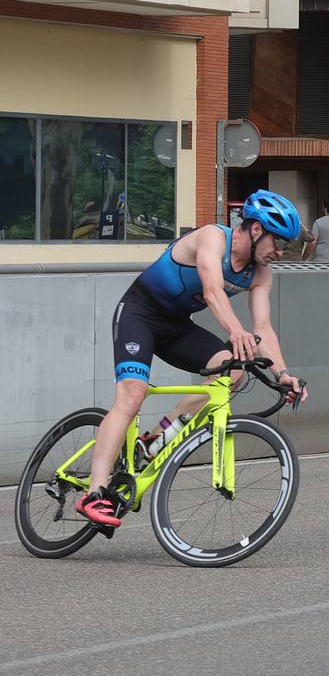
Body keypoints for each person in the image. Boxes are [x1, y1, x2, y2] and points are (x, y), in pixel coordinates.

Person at [74, 190, 311, 527]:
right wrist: (236, 331)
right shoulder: (213, 238)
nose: (280, 251)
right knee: (132, 394)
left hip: (176, 327)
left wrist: (283, 373)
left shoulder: (260, 273)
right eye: (278, 242)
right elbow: (213, 290)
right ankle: (94, 492)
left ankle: (153, 439)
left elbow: (263, 329)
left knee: (231, 371)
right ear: (257, 230)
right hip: (139, 315)